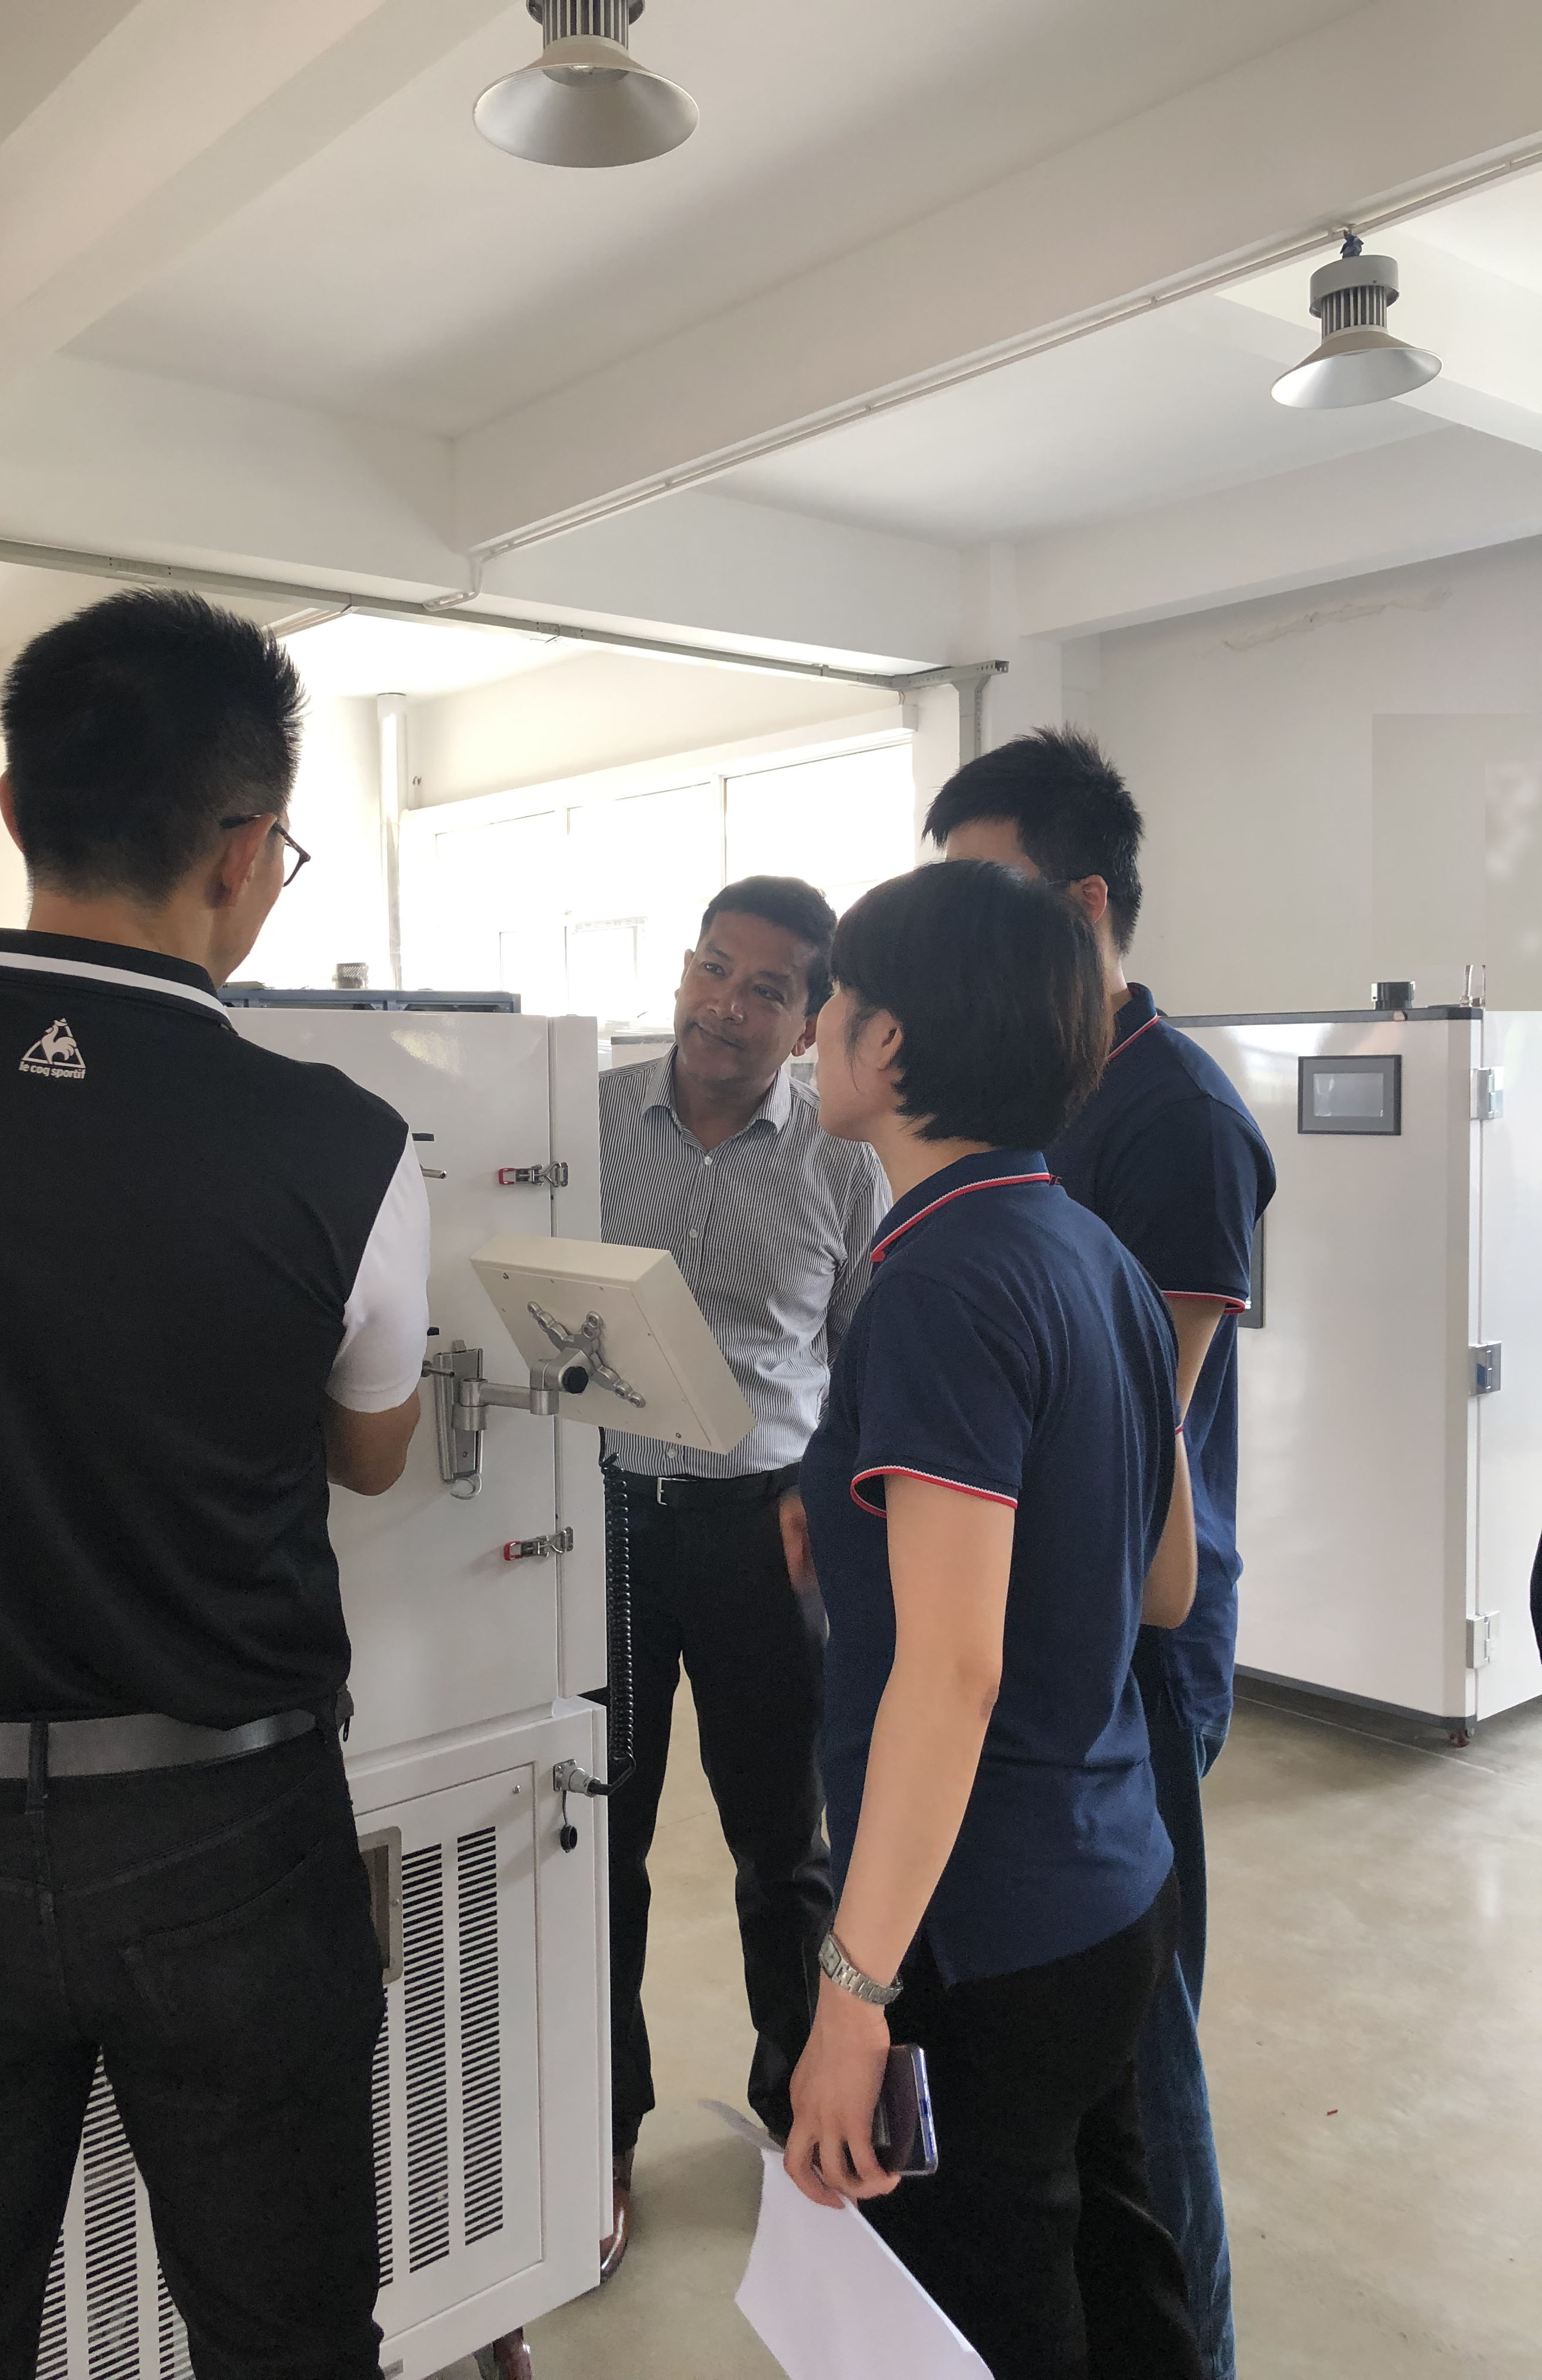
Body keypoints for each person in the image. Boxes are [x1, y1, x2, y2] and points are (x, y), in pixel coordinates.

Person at [0, 591, 428, 2380]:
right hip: (235, 1827)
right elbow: (372, 1454)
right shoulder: (343, 1143)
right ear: (241, 850)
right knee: (288, 2338)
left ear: (12, 809)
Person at [786, 858, 1203, 2380]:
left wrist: (852, 1999)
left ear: (889, 1041)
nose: (813, 1029)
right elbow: (1166, 1584)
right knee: (1117, 2268)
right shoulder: (1090, 1249)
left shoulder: (942, 1283)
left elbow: (952, 1673)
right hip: (1114, 1877)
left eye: (832, 999)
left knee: (987, 2315)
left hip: (984, 1927)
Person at [928, 730, 1274, 2380]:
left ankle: (1193, 2347)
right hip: (1042, 1620)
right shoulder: (1035, 1090)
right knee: (1067, 2045)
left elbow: (1135, 1455)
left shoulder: (1176, 1117)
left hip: (1130, 1639)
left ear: (1077, 908)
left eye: (974, 893)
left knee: (1140, 2040)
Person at [597, 876, 886, 2273]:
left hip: (768, 1537)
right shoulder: (586, 1119)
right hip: (603, 1527)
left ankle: (798, 2114)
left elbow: (866, 1361)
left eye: (767, 989)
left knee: (784, 1848)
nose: (726, 1004)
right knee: (598, 1842)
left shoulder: (844, 1160)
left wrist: (828, 1504)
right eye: (713, 969)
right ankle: (600, 2132)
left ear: (810, 1018)